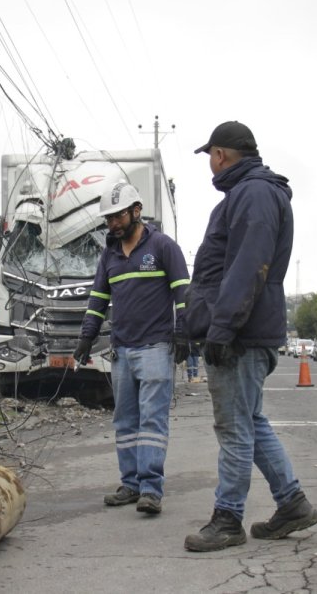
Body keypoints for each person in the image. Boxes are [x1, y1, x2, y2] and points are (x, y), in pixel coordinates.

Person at [182, 121, 317, 552]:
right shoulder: (250, 191)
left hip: (240, 334)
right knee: (251, 422)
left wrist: (222, 328)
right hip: (246, 329)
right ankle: (292, 503)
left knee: (235, 428)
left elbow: (248, 266)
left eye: (210, 156)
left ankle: (227, 520)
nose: (209, 164)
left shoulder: (253, 193)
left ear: (220, 155)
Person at [74, 181, 190, 516]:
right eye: (108, 218)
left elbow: (184, 293)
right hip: (122, 349)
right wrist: (86, 337)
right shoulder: (109, 256)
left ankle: (151, 489)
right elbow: (98, 300)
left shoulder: (164, 247)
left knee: (152, 420)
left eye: (118, 216)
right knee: (125, 420)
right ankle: (131, 484)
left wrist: (183, 333)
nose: (113, 223)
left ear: (136, 211)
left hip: (156, 347)